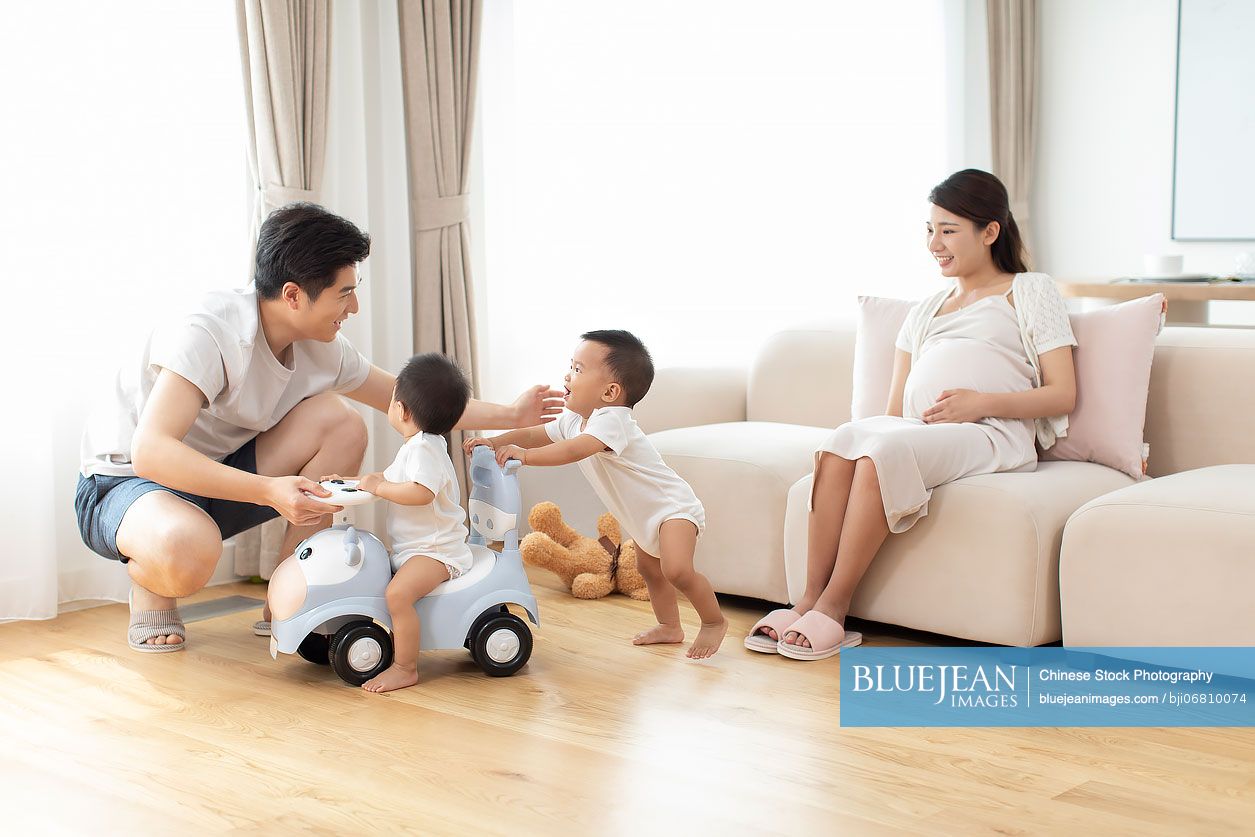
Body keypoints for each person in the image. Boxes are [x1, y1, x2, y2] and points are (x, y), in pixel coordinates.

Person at [75, 203, 562, 653]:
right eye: (344, 293)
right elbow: (153, 451)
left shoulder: (321, 344)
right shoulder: (209, 332)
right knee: (186, 549)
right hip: (126, 482)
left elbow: (411, 402)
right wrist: (268, 490)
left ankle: (287, 598)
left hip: (216, 475)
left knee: (342, 423)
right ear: (293, 295)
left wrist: (511, 417)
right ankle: (152, 582)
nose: (353, 308)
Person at [746, 169, 1078, 661]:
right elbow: (894, 409)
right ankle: (807, 601)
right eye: (929, 229)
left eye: (948, 230)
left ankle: (836, 609)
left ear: (990, 232)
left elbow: (1063, 394)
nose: (934, 244)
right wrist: (871, 435)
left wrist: (981, 403)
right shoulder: (925, 310)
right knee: (844, 440)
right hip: (924, 431)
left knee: (884, 446)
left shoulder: (1029, 291)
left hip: (993, 433)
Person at [465, 330, 728, 659]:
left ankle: (713, 622)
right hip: (644, 517)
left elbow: (573, 450)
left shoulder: (612, 420)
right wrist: (495, 441)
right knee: (649, 571)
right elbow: (535, 433)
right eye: (570, 366)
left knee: (676, 571)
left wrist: (524, 456)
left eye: (577, 369)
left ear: (610, 392)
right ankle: (670, 626)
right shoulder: (575, 419)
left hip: (674, 508)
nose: (567, 375)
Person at [322, 353, 473, 693]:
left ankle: (405, 667)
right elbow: (383, 479)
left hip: (437, 552)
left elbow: (421, 493)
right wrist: (350, 482)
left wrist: (379, 487)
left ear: (402, 410)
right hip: (418, 548)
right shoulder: (419, 446)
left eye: (391, 400)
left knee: (397, 595)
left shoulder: (423, 450)